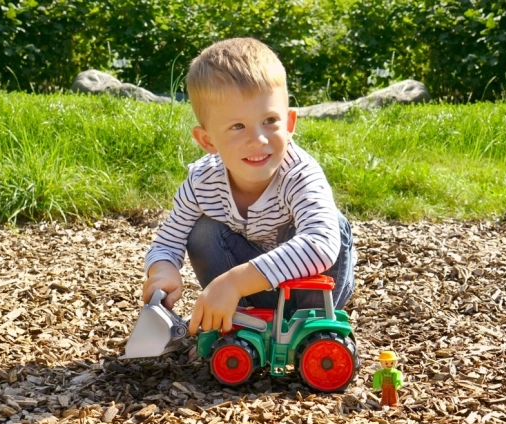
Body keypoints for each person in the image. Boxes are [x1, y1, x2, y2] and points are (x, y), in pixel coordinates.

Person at [142, 37, 356, 336]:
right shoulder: (202, 181)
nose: (258, 139)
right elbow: (168, 241)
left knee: (331, 223)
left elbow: (320, 245)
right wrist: (163, 269)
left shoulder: (299, 174)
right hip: (249, 294)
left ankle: (310, 328)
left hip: (312, 293)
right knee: (203, 230)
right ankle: (240, 318)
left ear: (290, 123)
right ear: (207, 141)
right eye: (237, 126)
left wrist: (234, 281)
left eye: (270, 120)